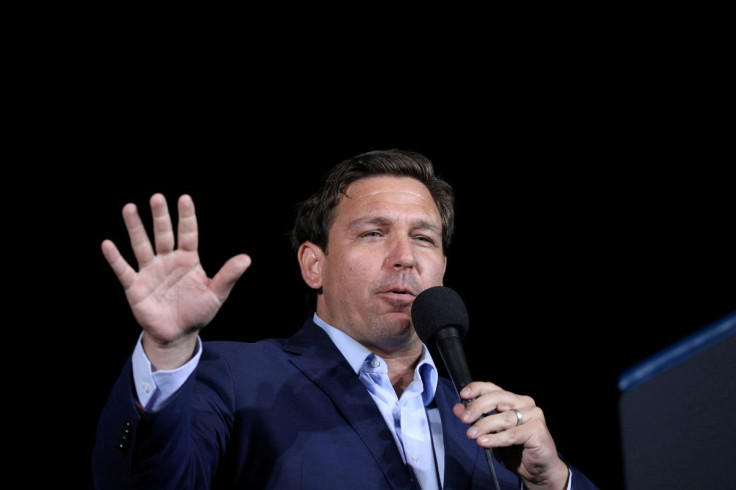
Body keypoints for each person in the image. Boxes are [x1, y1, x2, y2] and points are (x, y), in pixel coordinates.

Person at [92, 149, 599, 489]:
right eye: (374, 233)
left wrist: (553, 480)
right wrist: (166, 352)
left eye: (424, 238)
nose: (405, 257)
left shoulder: (489, 429)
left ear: (443, 266)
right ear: (315, 264)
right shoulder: (235, 377)